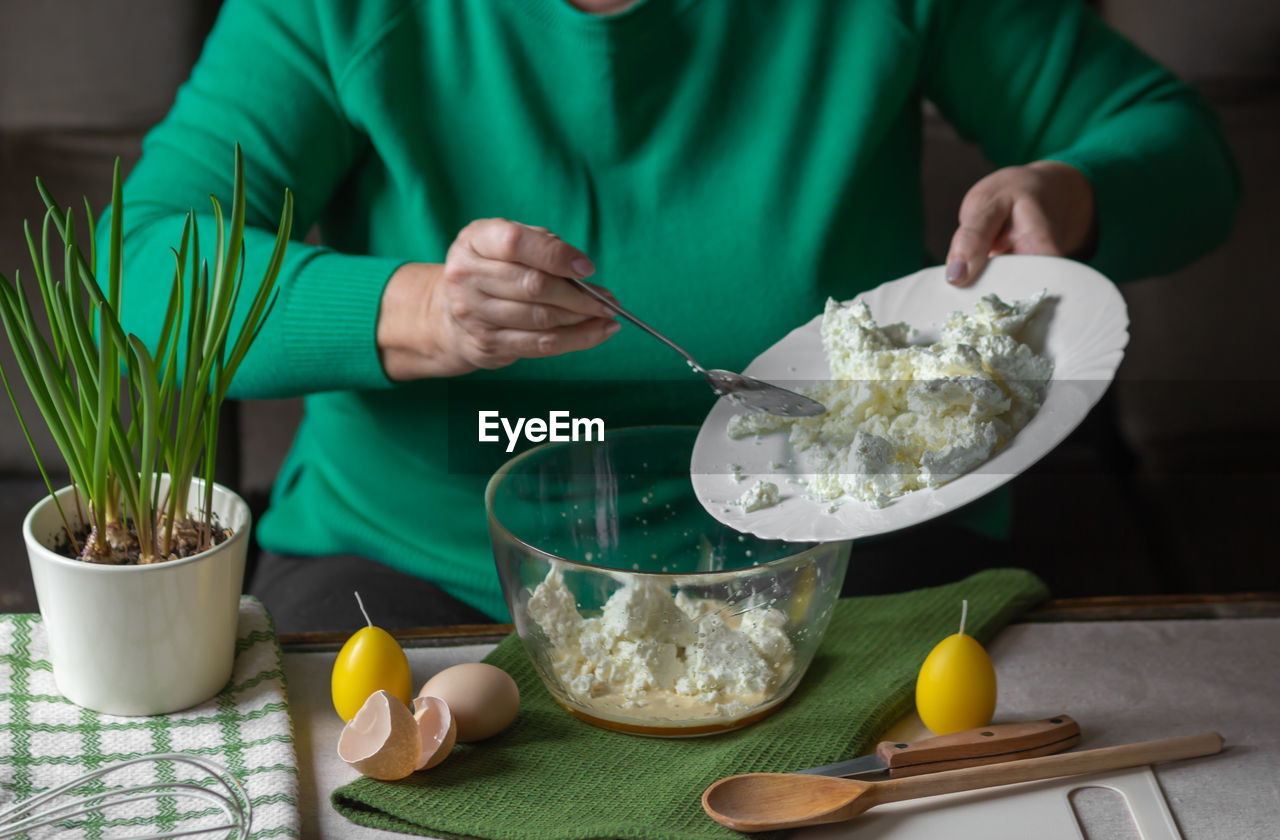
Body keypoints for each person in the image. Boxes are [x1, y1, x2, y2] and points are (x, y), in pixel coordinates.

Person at [106, 0, 1238, 630]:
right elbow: (144, 262)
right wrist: (418, 312)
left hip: (840, 558)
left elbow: (1177, 148)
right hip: (427, 563)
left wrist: (1069, 194)